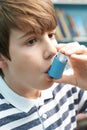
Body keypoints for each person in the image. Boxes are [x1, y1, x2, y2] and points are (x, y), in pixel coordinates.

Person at [0, 0, 87, 130]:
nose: (52, 50)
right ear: (2, 57)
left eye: (51, 35)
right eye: (31, 41)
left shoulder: (69, 85)